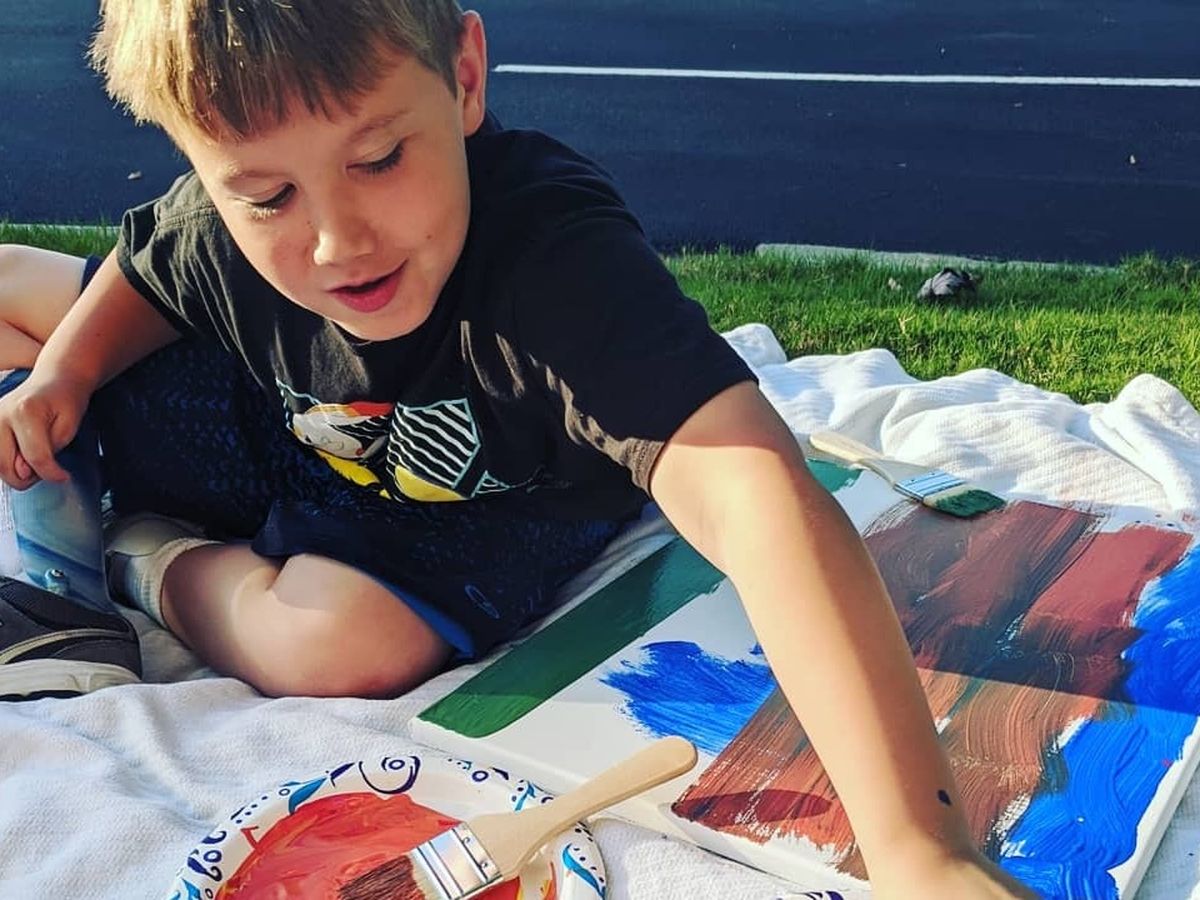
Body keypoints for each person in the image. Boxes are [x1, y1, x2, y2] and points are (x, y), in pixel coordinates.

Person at [0, 2, 1036, 897]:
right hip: (284, 425)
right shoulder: (219, 231)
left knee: (339, 651)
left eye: (378, 159)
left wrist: (918, 847)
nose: (336, 240)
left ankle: (141, 552)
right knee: (27, 302)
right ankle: (71, 421)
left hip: (476, 515)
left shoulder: (555, 260)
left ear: (463, 76)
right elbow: (148, 268)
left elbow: (754, 495)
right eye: (267, 198)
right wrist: (66, 378)